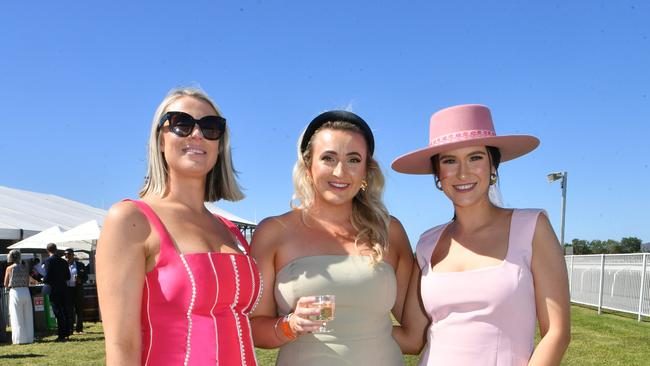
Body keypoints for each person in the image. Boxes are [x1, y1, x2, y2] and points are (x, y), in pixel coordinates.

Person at [391, 104, 571, 365]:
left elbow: (557, 333)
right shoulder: (427, 243)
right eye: (449, 161)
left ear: (492, 166)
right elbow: (412, 339)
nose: (463, 172)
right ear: (438, 175)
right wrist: (341, 324)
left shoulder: (532, 228)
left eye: (475, 157)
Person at [96, 87, 261, 366]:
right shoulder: (130, 219)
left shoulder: (229, 229)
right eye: (182, 124)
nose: (197, 134)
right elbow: (122, 343)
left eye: (210, 127)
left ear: (220, 145)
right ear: (160, 140)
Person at [250, 110, 414, 365]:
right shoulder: (273, 232)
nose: (340, 171)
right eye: (328, 158)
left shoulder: (389, 231)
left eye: (353, 160)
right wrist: (289, 326)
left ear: (366, 172)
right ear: (308, 166)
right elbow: (252, 328)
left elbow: (415, 335)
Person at [3, 249, 34, 344]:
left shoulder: (9, 268)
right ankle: (29, 338)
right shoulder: (25, 267)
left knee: (17, 315)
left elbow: (5, 283)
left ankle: (19, 339)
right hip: (25, 290)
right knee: (28, 315)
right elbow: (28, 280)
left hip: (15, 291)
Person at [43, 243, 71, 342]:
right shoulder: (63, 261)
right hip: (64, 288)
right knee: (64, 311)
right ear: (56, 249)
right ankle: (67, 333)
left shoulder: (48, 261)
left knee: (57, 312)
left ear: (47, 250)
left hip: (54, 289)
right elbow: (68, 277)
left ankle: (61, 335)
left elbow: (47, 277)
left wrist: (42, 278)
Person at [64, 248, 88, 334]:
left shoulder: (80, 265)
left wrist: (81, 280)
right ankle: (70, 330)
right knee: (69, 311)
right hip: (67, 290)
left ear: (73, 255)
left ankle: (79, 329)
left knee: (79, 310)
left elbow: (86, 277)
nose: (67, 256)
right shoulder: (63, 265)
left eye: (69, 254)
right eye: (66, 255)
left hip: (77, 290)